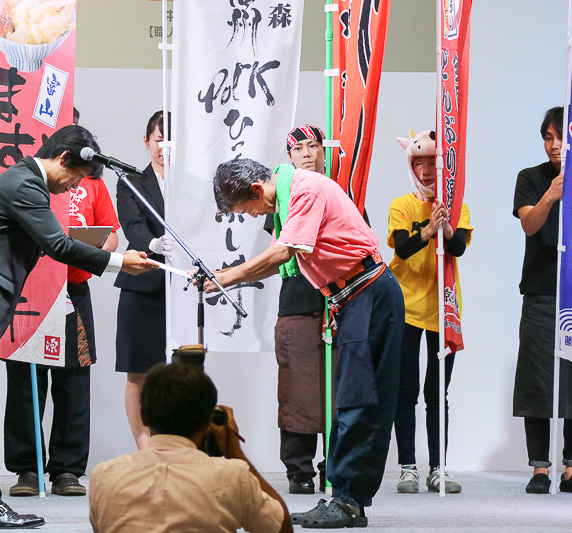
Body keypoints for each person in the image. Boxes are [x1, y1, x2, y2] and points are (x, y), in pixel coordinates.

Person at [0, 125, 155, 529]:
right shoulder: (25, 185)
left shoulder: (23, 180)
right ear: (65, 159)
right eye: (76, 178)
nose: (72, 188)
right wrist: (121, 262)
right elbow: (59, 245)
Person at [207, 159, 404, 528]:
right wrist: (225, 278)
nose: (252, 216)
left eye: (247, 211)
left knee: (359, 402)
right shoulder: (290, 196)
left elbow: (283, 251)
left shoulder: (305, 189)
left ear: (256, 190)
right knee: (352, 400)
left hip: (368, 292)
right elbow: (283, 256)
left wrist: (227, 276)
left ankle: (348, 501)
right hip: (352, 296)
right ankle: (346, 498)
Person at [4, 164, 120, 498]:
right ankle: (27, 469)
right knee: (26, 381)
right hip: (30, 288)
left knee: (74, 381)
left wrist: (100, 249)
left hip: (73, 289)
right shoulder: (28, 180)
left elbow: (111, 233)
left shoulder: (94, 184)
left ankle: (67, 469)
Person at [89, 361, 292, 533]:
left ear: (143, 416)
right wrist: (235, 453)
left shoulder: (105, 476)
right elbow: (281, 527)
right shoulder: (232, 476)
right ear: (207, 422)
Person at [388, 129, 472, 494]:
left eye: (431, 163)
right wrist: (428, 230)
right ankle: (408, 466)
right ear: (411, 165)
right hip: (405, 308)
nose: (425, 170)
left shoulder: (457, 206)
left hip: (444, 310)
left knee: (438, 391)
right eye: (418, 162)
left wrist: (446, 225)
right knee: (405, 390)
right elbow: (403, 248)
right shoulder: (402, 205)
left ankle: (439, 467)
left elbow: (459, 248)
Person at [265, 125, 335, 494]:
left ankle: (334, 467)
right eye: (299, 149)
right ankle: (299, 471)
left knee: (338, 393)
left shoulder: (338, 191)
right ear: (289, 156)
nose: (307, 153)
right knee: (297, 390)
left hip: (337, 303)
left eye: (313, 146)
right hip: (296, 301)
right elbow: (278, 249)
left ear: (323, 151)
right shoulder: (280, 198)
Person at [513, 106, 572, 494]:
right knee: (536, 378)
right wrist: (552, 195)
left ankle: (570, 467)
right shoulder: (531, 178)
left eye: (559, 137)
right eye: (547, 138)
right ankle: (539, 467)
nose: (553, 145)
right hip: (539, 292)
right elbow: (530, 225)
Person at [114, 110, 175, 449]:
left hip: (181, 287)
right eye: (158, 139)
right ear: (146, 142)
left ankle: (176, 445)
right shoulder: (130, 181)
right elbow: (132, 224)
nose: (165, 147)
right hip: (142, 284)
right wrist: (151, 244)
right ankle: (144, 446)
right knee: (138, 371)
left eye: (171, 140)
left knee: (179, 374)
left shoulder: (192, 182)